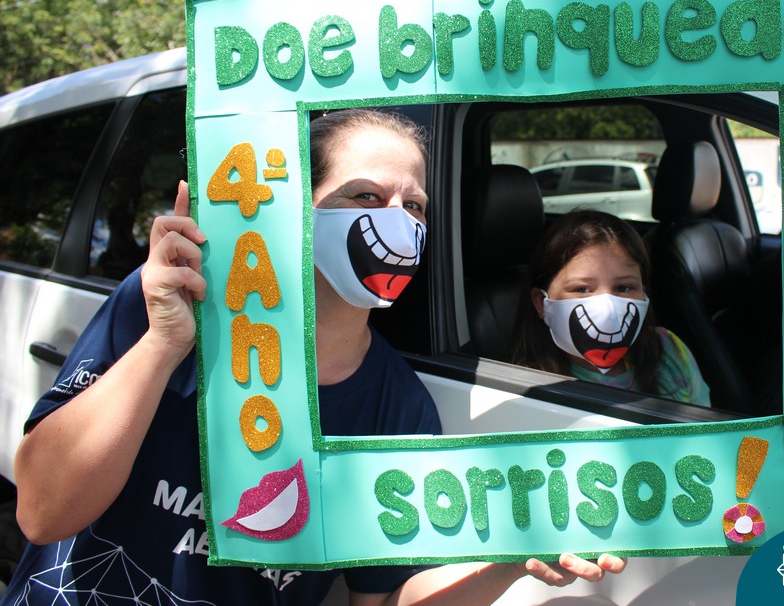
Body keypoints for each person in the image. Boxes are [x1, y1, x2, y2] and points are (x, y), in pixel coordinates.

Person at [4, 109, 624, 606]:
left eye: (413, 206)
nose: (397, 221)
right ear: (294, 208)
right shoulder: (164, 308)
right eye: (365, 195)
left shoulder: (397, 407)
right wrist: (163, 345)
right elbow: (42, 512)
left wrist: (508, 560)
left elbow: (381, 597)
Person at [508, 209, 711, 407]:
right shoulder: (522, 393)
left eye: (623, 288)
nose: (608, 309)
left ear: (644, 292)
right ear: (540, 302)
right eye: (582, 289)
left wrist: (743, 442)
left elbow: (709, 427)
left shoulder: (669, 351)